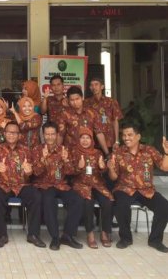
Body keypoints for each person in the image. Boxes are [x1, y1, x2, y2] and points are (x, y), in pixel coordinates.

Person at [108, 124, 168, 252]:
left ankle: (155, 240)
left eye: (129, 135)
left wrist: (167, 153)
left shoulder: (149, 150)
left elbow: (165, 167)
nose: (126, 138)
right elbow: (113, 178)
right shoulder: (119, 152)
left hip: (146, 190)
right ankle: (125, 239)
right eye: (124, 135)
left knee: (164, 206)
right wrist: (111, 168)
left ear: (138, 136)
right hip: (125, 188)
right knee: (120, 206)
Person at [0, 122, 45, 248]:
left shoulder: (26, 150)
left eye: (14, 132)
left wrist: (29, 171)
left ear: (19, 135)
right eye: (9, 132)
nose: (11, 135)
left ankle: (33, 235)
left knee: (36, 196)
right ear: (4, 134)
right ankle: (2, 235)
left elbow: (31, 170)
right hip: (3, 184)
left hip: (22, 184)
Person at [32, 121, 84, 250]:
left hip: (61, 185)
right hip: (44, 185)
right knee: (49, 201)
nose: (49, 137)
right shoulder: (37, 150)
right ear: (43, 135)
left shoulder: (64, 150)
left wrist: (66, 160)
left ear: (57, 135)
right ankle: (55, 238)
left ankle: (67, 235)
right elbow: (35, 173)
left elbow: (72, 172)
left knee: (77, 200)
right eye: (47, 134)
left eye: (52, 134)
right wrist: (43, 160)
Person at [71, 127, 113, 248]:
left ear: (92, 140)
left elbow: (103, 171)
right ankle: (90, 234)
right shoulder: (74, 152)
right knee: (88, 202)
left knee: (107, 202)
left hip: (97, 184)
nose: (85, 141)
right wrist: (79, 167)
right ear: (78, 140)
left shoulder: (98, 153)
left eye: (88, 138)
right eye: (82, 138)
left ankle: (105, 233)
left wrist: (102, 167)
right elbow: (68, 171)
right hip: (81, 184)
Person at [57, 86, 109, 156]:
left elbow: (99, 133)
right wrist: (56, 152)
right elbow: (60, 135)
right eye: (72, 100)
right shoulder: (64, 114)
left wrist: (107, 153)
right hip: (70, 153)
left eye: (77, 99)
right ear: (68, 101)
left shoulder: (92, 113)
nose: (75, 102)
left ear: (82, 98)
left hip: (88, 152)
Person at [84, 77, 123, 151]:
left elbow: (115, 121)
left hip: (110, 140)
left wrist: (117, 141)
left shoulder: (111, 102)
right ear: (89, 87)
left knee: (110, 161)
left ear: (102, 86)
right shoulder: (86, 103)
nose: (94, 87)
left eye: (96, 84)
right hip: (92, 140)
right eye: (91, 85)